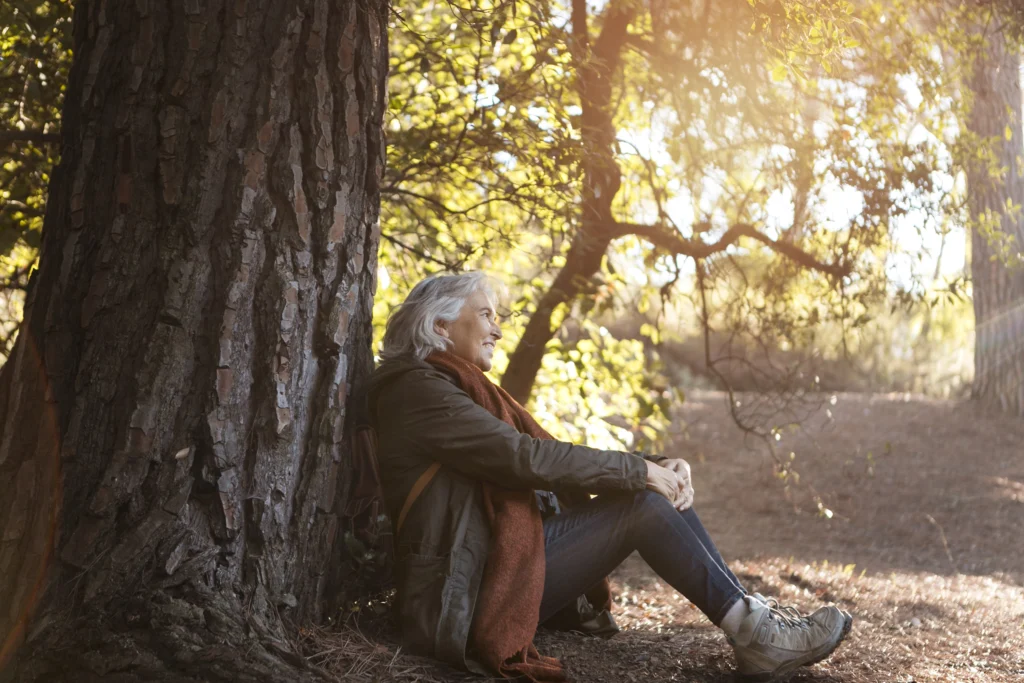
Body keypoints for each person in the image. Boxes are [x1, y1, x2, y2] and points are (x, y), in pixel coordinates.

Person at [367, 271, 852, 681]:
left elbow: (547, 455)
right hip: (463, 598)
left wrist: (651, 463)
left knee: (649, 490)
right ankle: (756, 633)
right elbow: (525, 459)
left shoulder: (454, 387)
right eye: (487, 314)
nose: (498, 329)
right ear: (440, 323)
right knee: (642, 503)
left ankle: (753, 623)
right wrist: (638, 474)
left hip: (489, 573)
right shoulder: (418, 391)